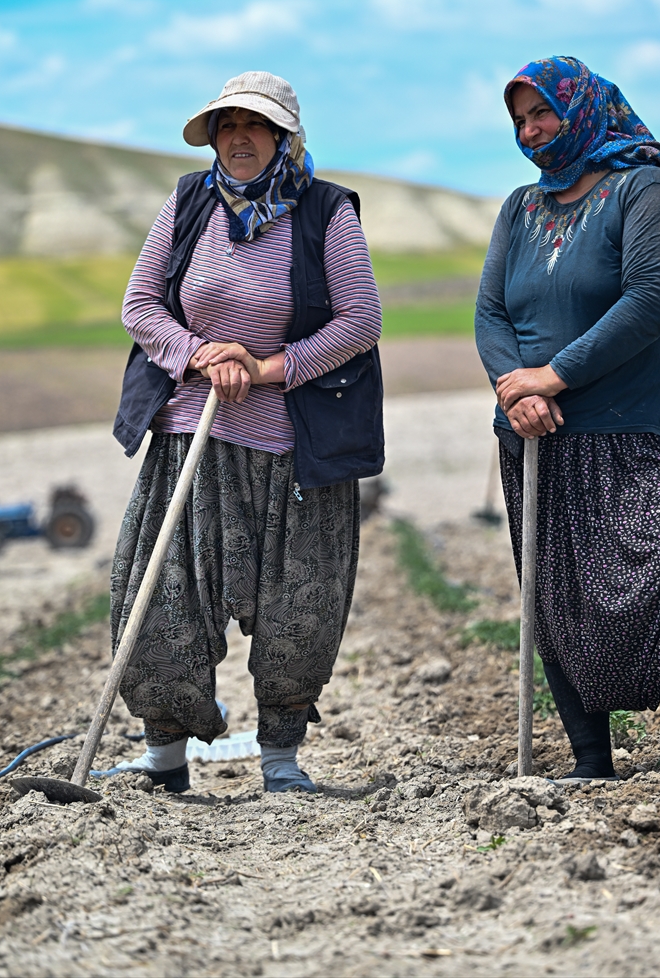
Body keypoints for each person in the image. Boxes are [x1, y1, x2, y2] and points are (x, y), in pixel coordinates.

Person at [475, 55, 660, 783]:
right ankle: (588, 758)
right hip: (538, 429)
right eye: (521, 119)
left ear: (585, 109)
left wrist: (555, 374)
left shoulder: (648, 187)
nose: (532, 130)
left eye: (544, 112)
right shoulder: (520, 207)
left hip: (635, 420)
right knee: (558, 591)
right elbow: (491, 311)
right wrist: (518, 390)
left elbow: (651, 300)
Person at [107, 71, 384, 793]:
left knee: (300, 607)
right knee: (161, 596)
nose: (238, 139)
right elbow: (141, 306)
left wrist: (263, 369)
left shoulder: (327, 212)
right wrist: (199, 354)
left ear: (284, 139)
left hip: (294, 449)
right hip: (187, 437)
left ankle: (283, 764)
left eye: (254, 127)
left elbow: (359, 323)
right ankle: (164, 762)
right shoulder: (188, 202)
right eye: (227, 126)